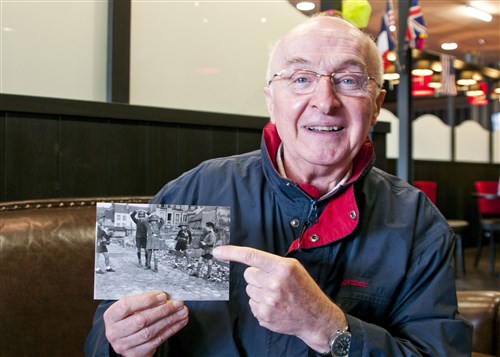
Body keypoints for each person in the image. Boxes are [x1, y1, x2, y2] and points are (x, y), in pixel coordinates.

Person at [85, 16, 472, 356]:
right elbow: (103, 337)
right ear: (272, 101)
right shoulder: (195, 192)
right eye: (301, 78)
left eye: (349, 80)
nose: (325, 100)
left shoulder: (417, 224)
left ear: (375, 105)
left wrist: (329, 328)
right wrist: (120, 344)